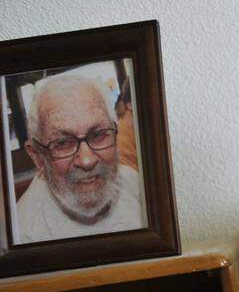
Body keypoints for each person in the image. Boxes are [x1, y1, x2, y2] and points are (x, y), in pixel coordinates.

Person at [16, 74, 144, 245]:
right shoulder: (24, 236)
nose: (87, 160)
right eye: (63, 143)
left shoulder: (133, 181)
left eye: (98, 135)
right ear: (37, 157)